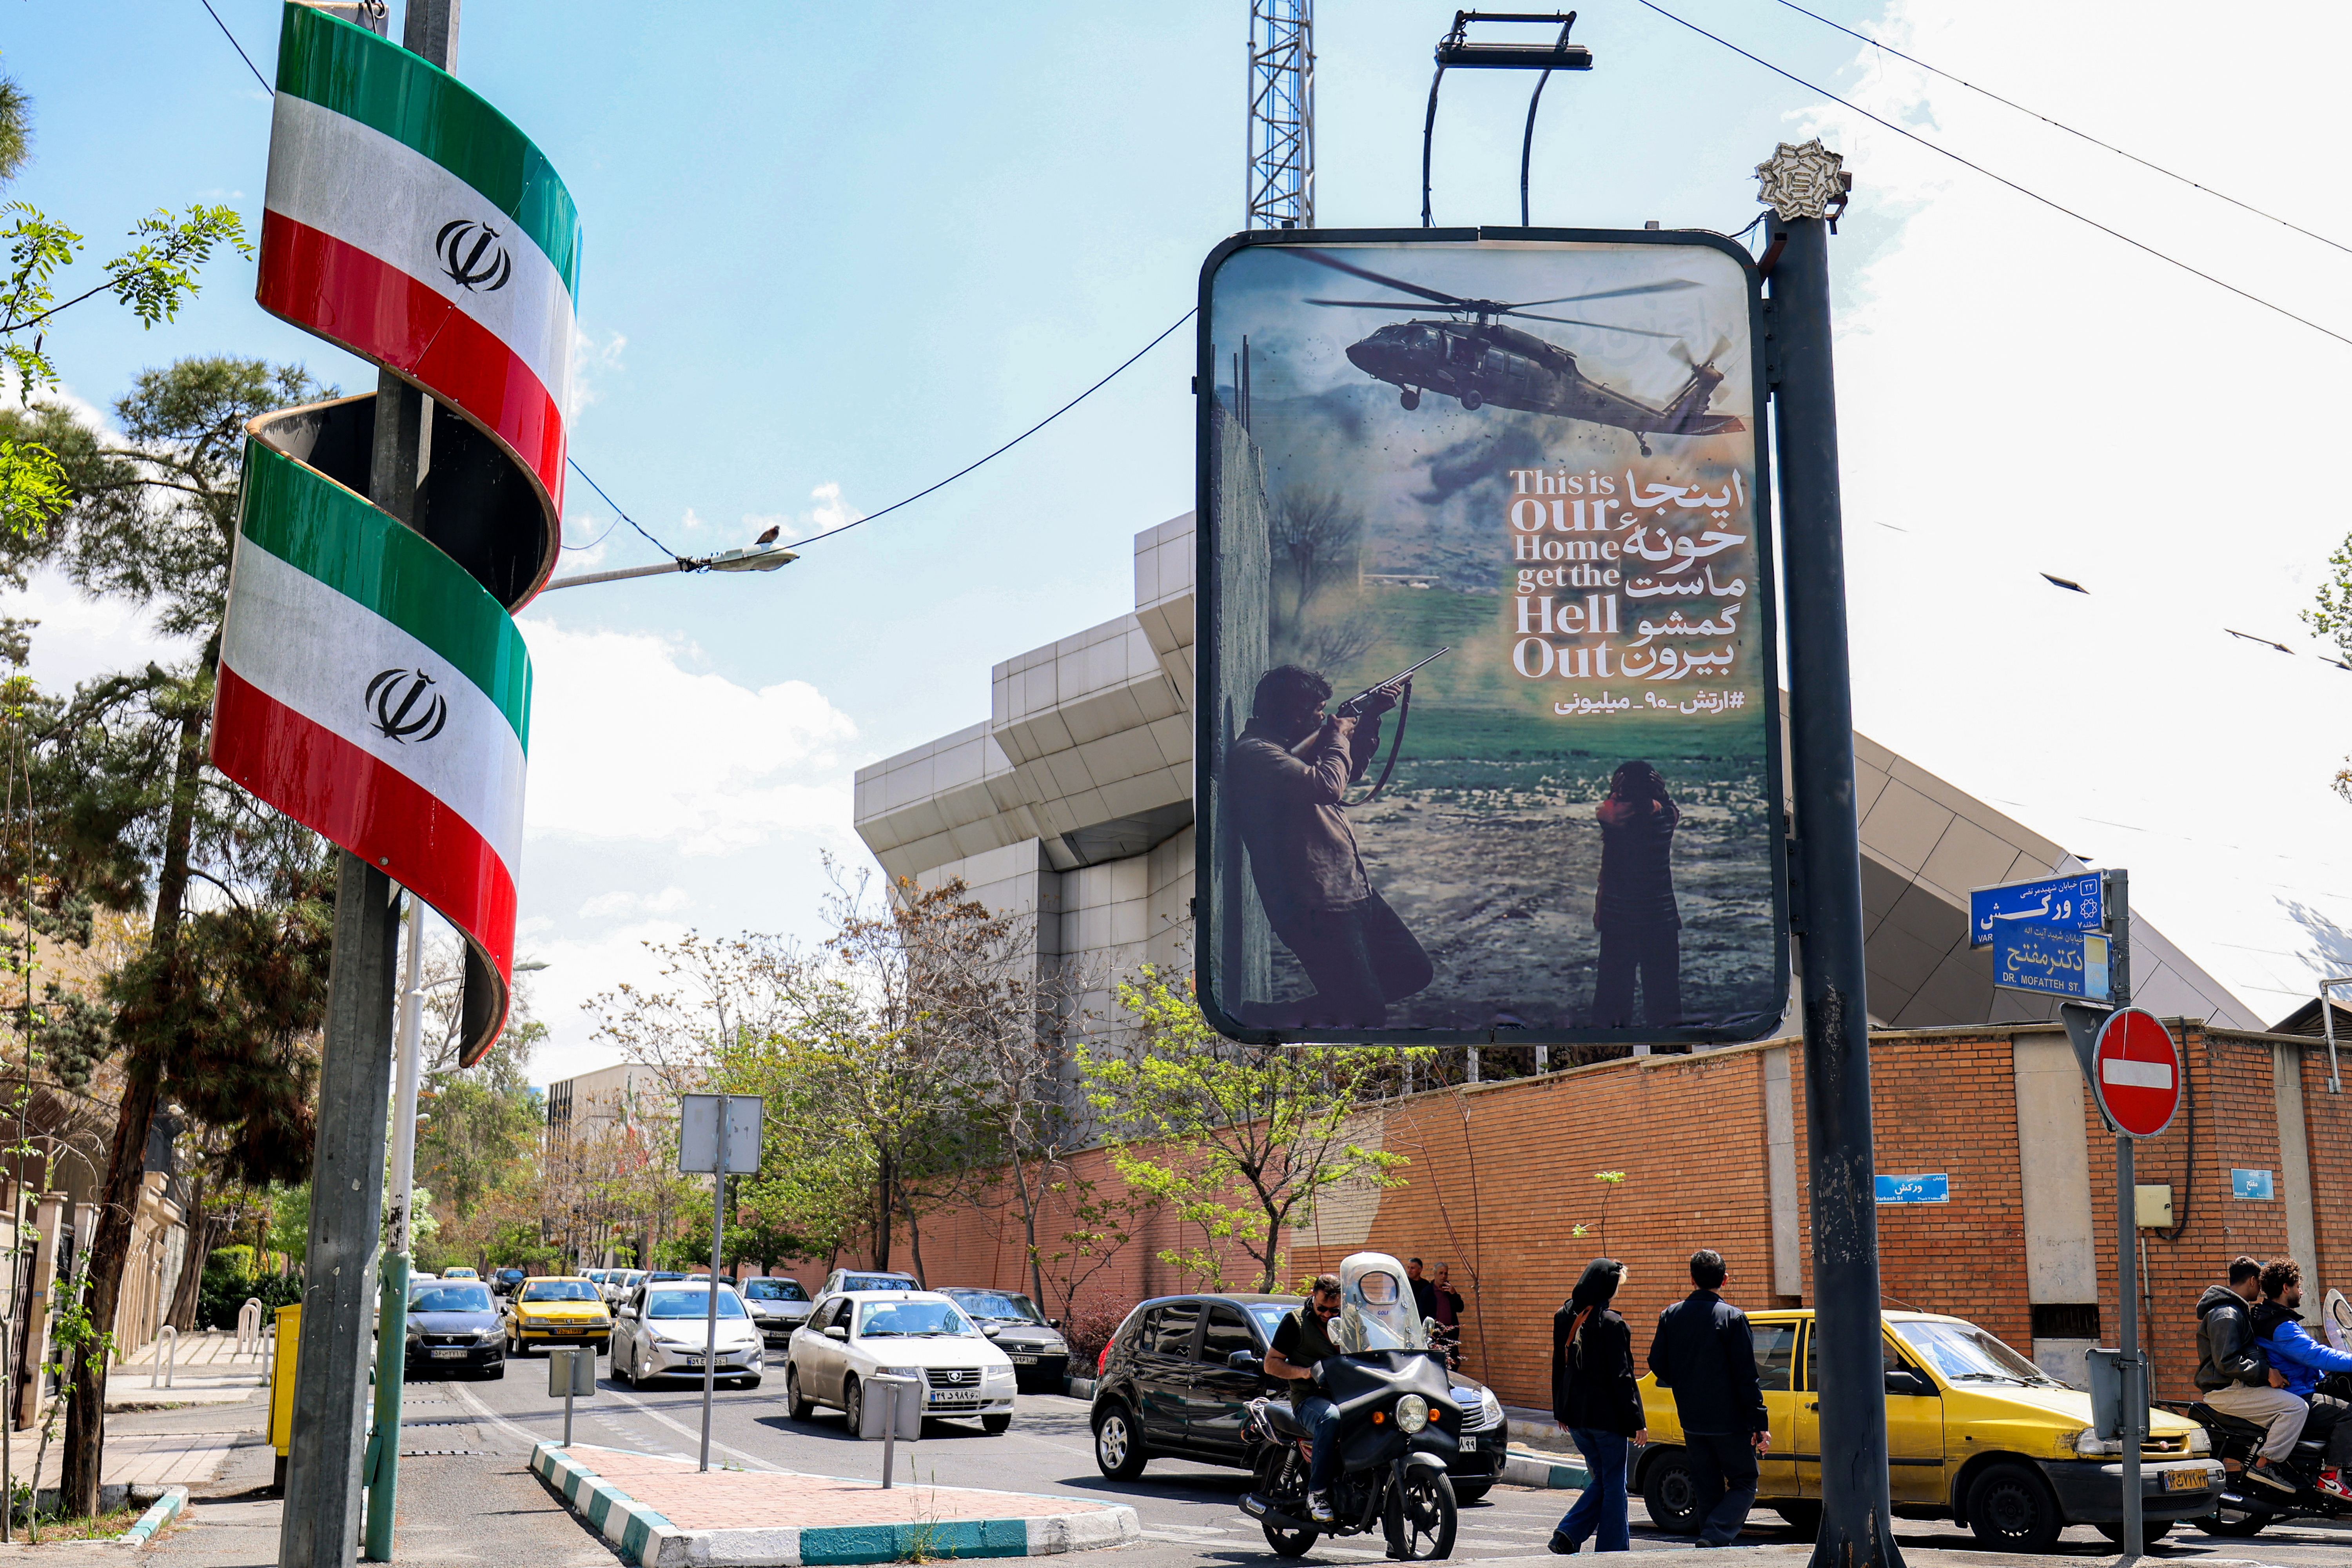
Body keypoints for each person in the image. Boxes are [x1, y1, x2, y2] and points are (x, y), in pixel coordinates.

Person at [1227, 665, 1432, 1028]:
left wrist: (1369, 720)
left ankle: (1296, 1011)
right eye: (1319, 711)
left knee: (1413, 971)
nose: (1325, 716)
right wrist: (1337, 736)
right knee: (1367, 1014)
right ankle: (1273, 1017)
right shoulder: (1257, 754)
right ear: (1294, 714)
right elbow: (1328, 786)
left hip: (1353, 892)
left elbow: (1349, 773)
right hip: (1317, 908)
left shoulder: (1286, 749)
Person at [1647, 1249, 1768, 1547]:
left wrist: (1685, 1383)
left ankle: (1711, 1544)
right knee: (1745, 1482)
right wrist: (1759, 1422)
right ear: (1725, 1280)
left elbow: (1656, 1362)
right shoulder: (1733, 1318)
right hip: (1730, 1421)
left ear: (1692, 1279)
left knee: (1707, 1486)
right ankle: (1714, 1535)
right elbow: (1746, 1376)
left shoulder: (1671, 1315)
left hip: (1692, 1418)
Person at [1549, 1259, 1647, 1554]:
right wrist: (1637, 1421)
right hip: (1607, 1420)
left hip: (1576, 1419)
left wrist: (1559, 1410)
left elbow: (1558, 1365)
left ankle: (1571, 1536)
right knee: (1614, 1485)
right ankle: (1607, 1548)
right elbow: (1623, 1376)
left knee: (1604, 1480)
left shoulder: (1564, 1314)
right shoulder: (1613, 1323)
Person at [2196, 1254, 2302, 1494]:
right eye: (2261, 1283)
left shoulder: (2236, 1310)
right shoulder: (2227, 1314)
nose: (2263, 1290)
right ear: (2253, 1281)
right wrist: (2266, 1373)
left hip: (2236, 1387)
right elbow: (2227, 1362)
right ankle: (2265, 1465)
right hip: (2227, 1390)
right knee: (2296, 1408)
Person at [1590, 760, 1683, 1029]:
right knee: (1665, 1004)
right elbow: (1671, 808)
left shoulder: (1612, 820)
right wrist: (1660, 793)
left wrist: (1617, 791)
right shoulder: (1666, 819)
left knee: (1613, 1003)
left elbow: (1607, 808)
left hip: (1619, 922)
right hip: (1661, 921)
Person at [2252, 1257, 2352, 1498]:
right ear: (2286, 1288)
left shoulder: (2273, 1319)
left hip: (2303, 1386)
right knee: (2350, 1414)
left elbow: (2307, 1359)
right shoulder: (2280, 1326)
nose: (2301, 1291)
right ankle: (2331, 1476)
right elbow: (2315, 1354)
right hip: (2298, 1394)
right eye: (2298, 1286)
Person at [1265, 1273, 1347, 1524]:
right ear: (1313, 1297)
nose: (1327, 1314)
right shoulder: (1295, 1323)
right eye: (1322, 1308)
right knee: (1330, 1418)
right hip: (1309, 1399)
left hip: (1348, 1395)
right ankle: (1318, 1493)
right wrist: (1304, 1373)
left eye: (1334, 1310)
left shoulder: (1352, 1321)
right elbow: (1271, 1364)